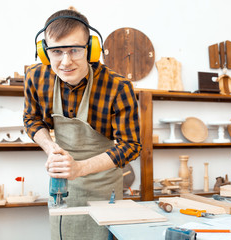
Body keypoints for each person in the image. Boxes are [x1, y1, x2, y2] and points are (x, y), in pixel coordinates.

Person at [23, 8, 141, 240]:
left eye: (75, 50)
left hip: (104, 185)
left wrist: (80, 168)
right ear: (45, 52)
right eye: (56, 51)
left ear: (91, 49)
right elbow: (32, 119)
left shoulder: (117, 87)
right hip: (63, 184)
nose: (66, 62)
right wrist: (51, 148)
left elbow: (131, 145)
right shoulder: (35, 78)